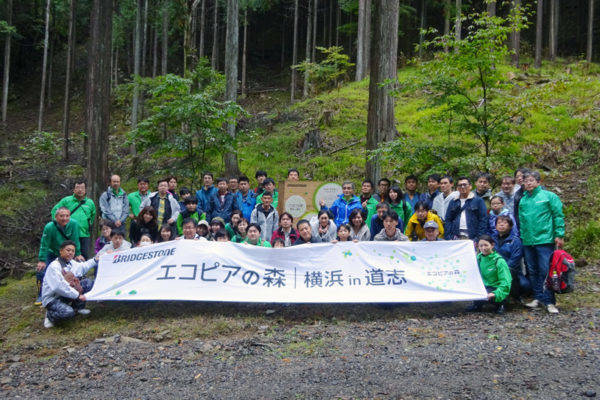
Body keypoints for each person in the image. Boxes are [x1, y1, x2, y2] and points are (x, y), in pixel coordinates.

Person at [519, 170, 565, 314]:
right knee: (532, 270)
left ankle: (549, 301)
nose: (528, 183)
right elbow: (521, 220)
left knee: (546, 270)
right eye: (526, 181)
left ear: (538, 182)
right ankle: (538, 298)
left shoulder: (549, 196)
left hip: (544, 239)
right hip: (528, 240)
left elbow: (558, 215)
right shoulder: (523, 199)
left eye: (531, 180)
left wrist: (559, 234)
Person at [41, 241, 98, 329]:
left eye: (73, 251)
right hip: (53, 298)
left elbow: (83, 267)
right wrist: (78, 295)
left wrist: (95, 260)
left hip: (66, 294)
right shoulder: (54, 266)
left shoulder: (71, 263)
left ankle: (78, 308)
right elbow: (59, 287)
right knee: (67, 313)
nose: (70, 253)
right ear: (61, 251)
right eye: (68, 250)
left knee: (88, 283)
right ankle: (50, 316)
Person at [36, 207, 83, 305]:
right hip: (53, 251)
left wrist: (77, 254)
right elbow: (44, 244)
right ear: (56, 217)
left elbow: (75, 240)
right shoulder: (49, 227)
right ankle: (41, 294)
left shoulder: (74, 224)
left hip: (67, 252)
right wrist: (42, 260)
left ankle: (73, 290)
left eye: (67, 216)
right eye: (61, 216)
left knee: (73, 268)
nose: (64, 218)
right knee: (42, 270)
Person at [466, 235, 512, 314]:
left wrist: (496, 293)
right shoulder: (478, 258)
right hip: (484, 286)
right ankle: (477, 305)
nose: (483, 248)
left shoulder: (499, 261)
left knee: (494, 296)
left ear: (492, 245)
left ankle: (502, 304)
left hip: (495, 287)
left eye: (486, 245)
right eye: (481, 246)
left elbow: (506, 281)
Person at [51, 179, 96, 259]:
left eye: (82, 188)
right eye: (78, 188)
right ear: (74, 190)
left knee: (84, 256)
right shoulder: (66, 200)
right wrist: (59, 224)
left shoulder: (90, 202)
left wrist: (88, 225)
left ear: (85, 190)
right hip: (69, 234)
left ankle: (82, 271)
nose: (80, 190)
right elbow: (55, 211)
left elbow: (93, 215)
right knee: (69, 256)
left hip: (84, 234)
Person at [444, 177, 487, 242]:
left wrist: (478, 238)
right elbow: (448, 220)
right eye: (460, 185)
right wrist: (448, 237)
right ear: (457, 188)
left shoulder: (478, 201)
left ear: (470, 186)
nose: (462, 187)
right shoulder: (453, 202)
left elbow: (483, 220)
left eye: (464, 185)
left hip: (472, 236)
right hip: (455, 236)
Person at [493, 215, 524, 301]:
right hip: (493, 268)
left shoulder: (515, 240)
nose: (501, 225)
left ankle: (512, 297)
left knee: (525, 285)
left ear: (510, 226)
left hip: (510, 269)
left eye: (505, 223)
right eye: (499, 223)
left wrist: (503, 268)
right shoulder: (491, 240)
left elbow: (516, 258)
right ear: (495, 226)